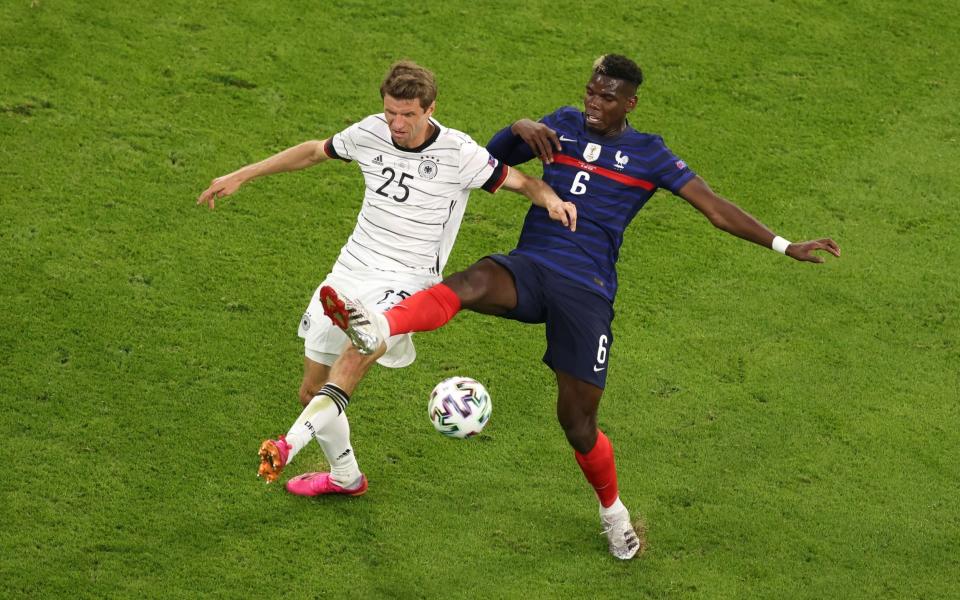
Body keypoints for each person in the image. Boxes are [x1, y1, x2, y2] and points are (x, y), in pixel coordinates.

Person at [320, 54, 841, 560]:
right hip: (529, 266)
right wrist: (520, 126)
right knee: (470, 281)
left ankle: (614, 514)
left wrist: (784, 244)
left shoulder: (651, 154)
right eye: (591, 91)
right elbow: (487, 161)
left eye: (607, 97)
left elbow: (715, 208)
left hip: (586, 289)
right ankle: (381, 326)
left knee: (577, 421)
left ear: (629, 103)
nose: (594, 103)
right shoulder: (562, 125)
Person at [196, 61, 576, 498]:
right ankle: (346, 478)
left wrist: (551, 200)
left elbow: (523, 182)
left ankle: (287, 444)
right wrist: (242, 174)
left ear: (431, 108)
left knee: (361, 349)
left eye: (408, 115)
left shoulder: (459, 152)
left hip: (410, 279)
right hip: (352, 268)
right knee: (311, 391)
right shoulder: (371, 131)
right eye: (391, 112)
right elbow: (314, 151)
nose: (397, 123)